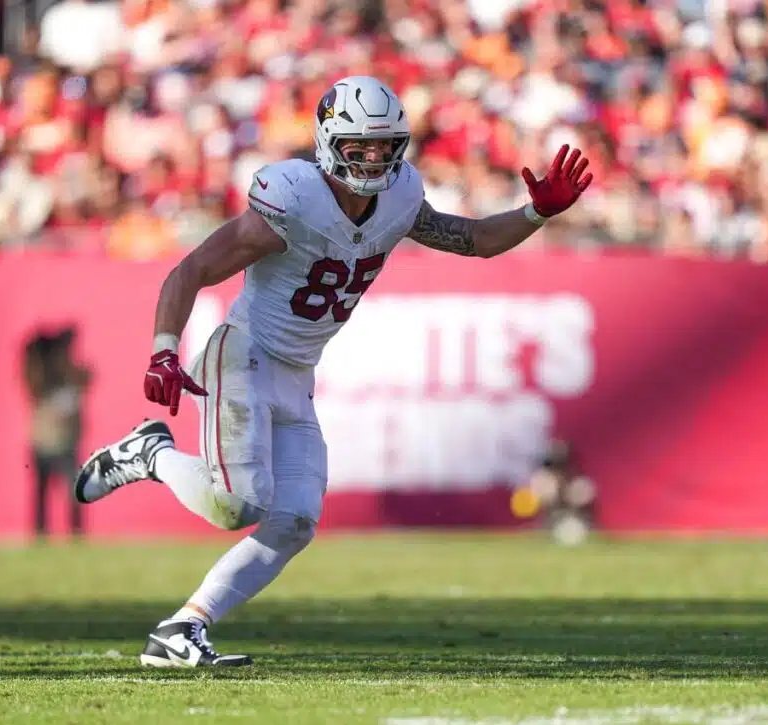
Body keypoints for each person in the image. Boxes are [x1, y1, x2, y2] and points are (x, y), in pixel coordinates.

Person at [73, 76, 593, 666]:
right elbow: (190, 269)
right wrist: (164, 349)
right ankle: (150, 454)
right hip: (244, 354)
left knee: (294, 522)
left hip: (298, 373)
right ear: (328, 142)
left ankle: (184, 627)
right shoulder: (293, 198)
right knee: (238, 505)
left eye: (384, 145)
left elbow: (472, 238)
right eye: (359, 146)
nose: (372, 158)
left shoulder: (399, 198)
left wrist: (535, 212)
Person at [22, 326, 93, 540]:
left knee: (74, 490)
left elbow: (87, 377)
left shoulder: (70, 374)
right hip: (44, 441)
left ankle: (76, 533)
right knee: (42, 494)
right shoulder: (40, 376)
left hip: (66, 442)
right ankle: (40, 533)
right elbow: (34, 385)